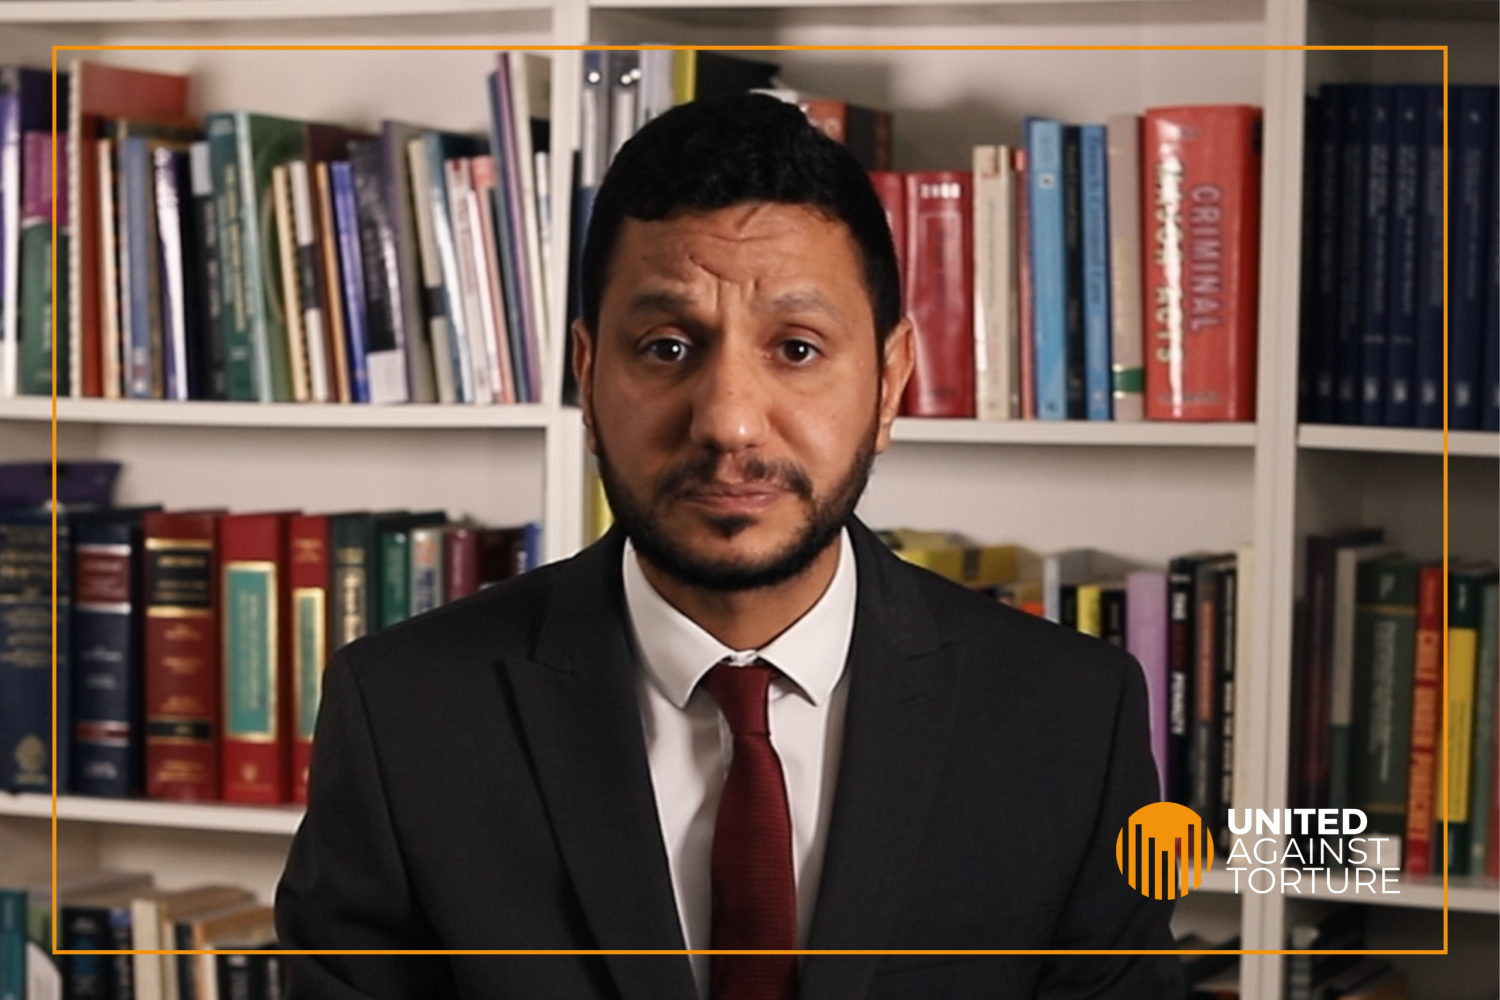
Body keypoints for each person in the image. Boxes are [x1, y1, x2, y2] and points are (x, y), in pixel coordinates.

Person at [275, 91, 1184, 1000]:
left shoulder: (1071, 721)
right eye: (668, 347)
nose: (729, 423)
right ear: (589, 381)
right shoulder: (403, 717)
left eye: (796, 348)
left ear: (891, 382)